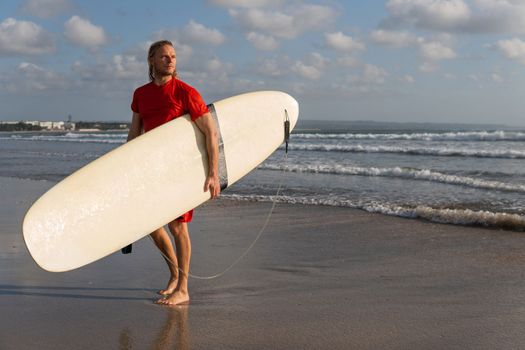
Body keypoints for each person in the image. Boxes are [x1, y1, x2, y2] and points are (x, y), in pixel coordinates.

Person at [127, 40, 220, 306]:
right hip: (152, 169)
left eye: (174, 56)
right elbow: (135, 133)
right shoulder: (140, 94)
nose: (170, 60)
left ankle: (184, 288)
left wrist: (213, 173)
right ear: (151, 60)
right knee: (152, 225)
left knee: (178, 227)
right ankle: (173, 276)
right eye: (164, 56)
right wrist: (124, 170)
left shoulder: (186, 92)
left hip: (181, 169)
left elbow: (210, 132)